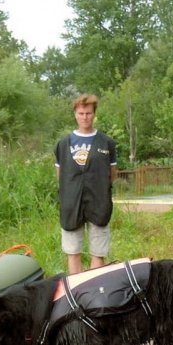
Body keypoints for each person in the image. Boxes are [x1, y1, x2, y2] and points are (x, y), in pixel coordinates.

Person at [54, 93, 117, 274]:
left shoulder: (106, 143)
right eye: (81, 113)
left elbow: (111, 174)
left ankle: (94, 293)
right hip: (71, 204)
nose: (85, 117)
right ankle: (77, 294)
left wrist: (97, 187)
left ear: (94, 114)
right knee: (73, 251)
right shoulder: (63, 144)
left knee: (98, 252)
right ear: (75, 114)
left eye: (88, 113)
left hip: (99, 202)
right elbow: (61, 175)